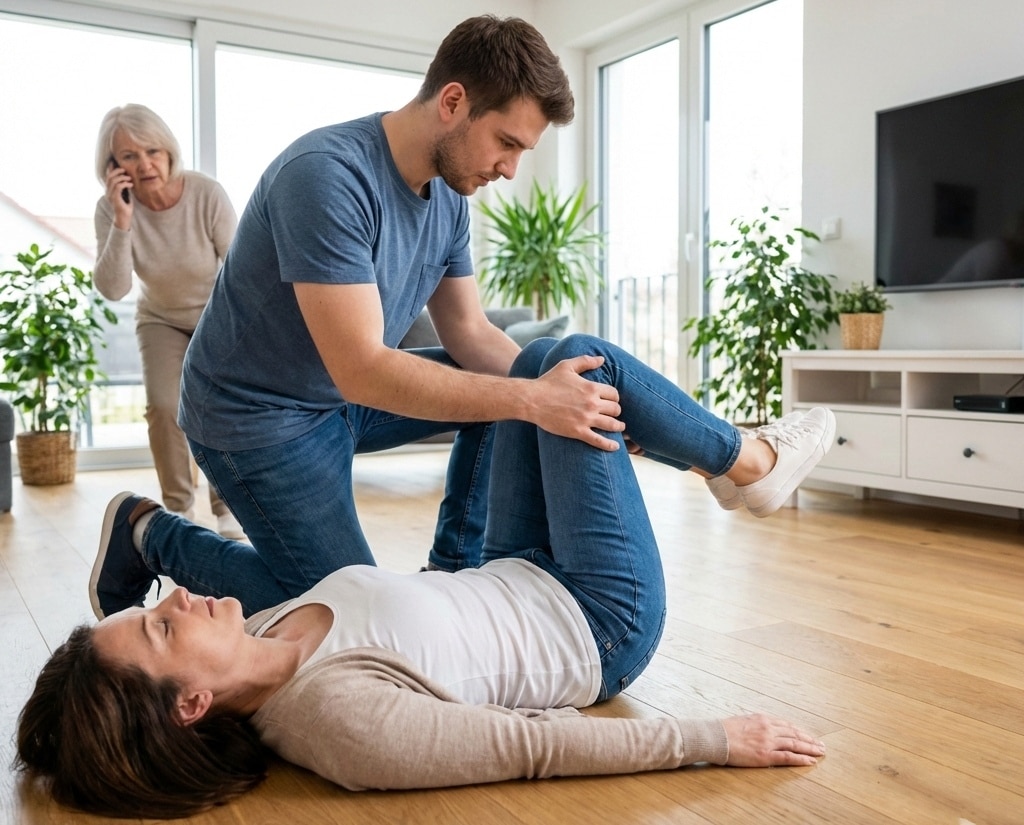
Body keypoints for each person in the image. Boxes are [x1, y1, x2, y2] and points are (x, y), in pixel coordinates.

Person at [17, 335, 834, 819]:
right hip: (600, 618)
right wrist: (715, 740)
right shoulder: (340, 723)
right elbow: (532, 745)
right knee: (585, 370)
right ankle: (749, 463)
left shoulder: (258, 636)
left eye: (157, 608)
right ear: (190, 703)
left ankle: (732, 462)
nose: (180, 603)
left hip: (515, 566)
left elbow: (428, 593)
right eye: (163, 625)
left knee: (538, 366)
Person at [175, 15, 616, 605]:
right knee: (360, 614)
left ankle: (453, 576)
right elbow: (361, 368)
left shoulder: (451, 200)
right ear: (453, 101)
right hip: (256, 417)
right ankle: (152, 535)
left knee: (517, 375)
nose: (509, 169)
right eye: (507, 143)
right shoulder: (327, 176)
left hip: (340, 401)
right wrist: (534, 399)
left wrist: (568, 396)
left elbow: (469, 331)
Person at [93, 103, 244, 539]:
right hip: (159, 318)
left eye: (152, 151)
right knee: (163, 407)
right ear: (112, 166)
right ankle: (179, 511)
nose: (144, 164)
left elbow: (239, 267)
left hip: (216, 314)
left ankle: (227, 508)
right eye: (128, 156)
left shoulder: (205, 193)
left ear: (168, 150)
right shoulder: (111, 210)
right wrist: (122, 221)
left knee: (215, 404)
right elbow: (114, 288)